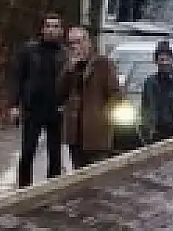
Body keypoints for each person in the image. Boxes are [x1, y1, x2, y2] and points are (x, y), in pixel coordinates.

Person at [11, 12, 68, 187]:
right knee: (28, 151)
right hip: (33, 108)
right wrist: (14, 104)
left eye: (55, 26)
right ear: (42, 29)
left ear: (61, 30)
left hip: (56, 109)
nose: (51, 30)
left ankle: (52, 189)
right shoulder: (28, 51)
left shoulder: (65, 54)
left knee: (55, 154)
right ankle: (23, 189)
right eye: (48, 26)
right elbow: (17, 77)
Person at [59, 24, 122, 169]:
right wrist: (69, 71)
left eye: (79, 41)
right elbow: (60, 94)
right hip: (75, 134)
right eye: (71, 43)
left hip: (96, 133)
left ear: (88, 42)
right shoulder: (69, 65)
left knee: (96, 176)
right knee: (79, 174)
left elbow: (115, 94)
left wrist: (104, 117)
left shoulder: (103, 64)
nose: (75, 47)